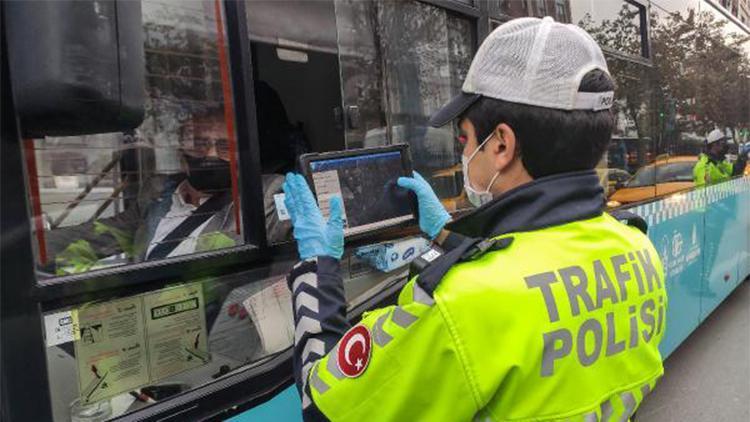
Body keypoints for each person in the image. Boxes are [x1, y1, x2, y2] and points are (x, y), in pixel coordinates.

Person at [282, 17, 667, 421]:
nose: (463, 153)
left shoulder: (459, 303)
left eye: (465, 139)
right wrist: (448, 235)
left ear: (501, 144)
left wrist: (317, 270)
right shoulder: (637, 247)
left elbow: (326, 403)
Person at [47, 109, 289, 275]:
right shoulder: (157, 195)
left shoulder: (266, 196)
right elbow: (98, 236)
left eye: (224, 146)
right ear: (182, 154)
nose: (211, 155)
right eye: (200, 144)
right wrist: (29, 249)